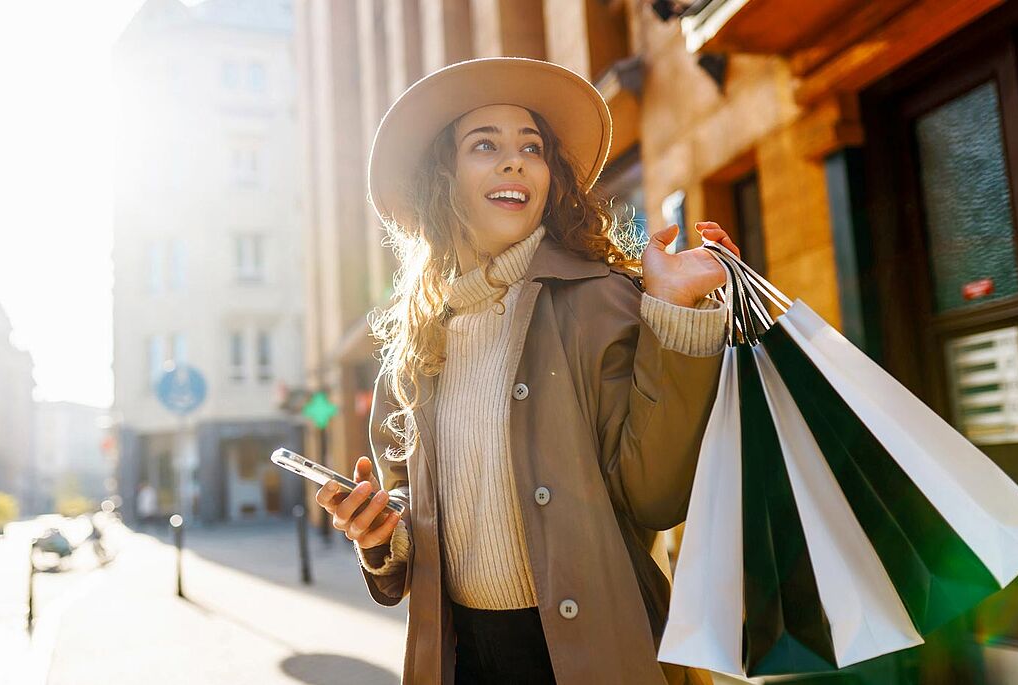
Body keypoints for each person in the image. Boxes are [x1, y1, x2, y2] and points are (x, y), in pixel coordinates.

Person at [316, 57, 741, 684]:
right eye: (484, 144)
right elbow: (414, 500)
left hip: (604, 653)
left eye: (532, 147)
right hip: (462, 661)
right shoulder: (412, 345)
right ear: (444, 177)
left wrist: (675, 316)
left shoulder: (604, 299)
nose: (514, 161)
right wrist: (382, 533)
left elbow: (656, 497)